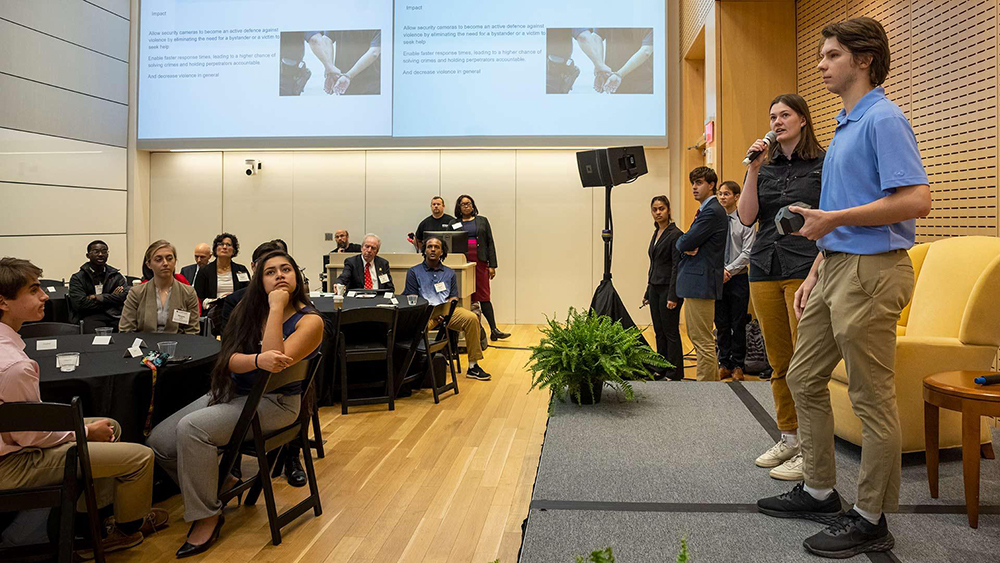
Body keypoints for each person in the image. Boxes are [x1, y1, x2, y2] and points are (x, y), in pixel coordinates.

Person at [756, 18, 931, 559]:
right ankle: (820, 489)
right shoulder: (846, 124)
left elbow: (916, 200)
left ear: (863, 59)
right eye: (822, 55)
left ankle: (872, 516)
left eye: (832, 55)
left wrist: (833, 221)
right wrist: (815, 271)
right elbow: (831, 219)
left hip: (873, 272)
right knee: (804, 376)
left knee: (870, 398)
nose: (821, 64)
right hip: (833, 268)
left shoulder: (884, 118)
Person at [146, 250, 324, 558]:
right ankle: (220, 480)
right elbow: (228, 360)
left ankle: (207, 515)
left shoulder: (310, 321)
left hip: (277, 403)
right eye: (270, 272)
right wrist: (255, 359)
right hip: (234, 392)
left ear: (297, 277)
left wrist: (277, 307)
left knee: (192, 429)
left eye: (286, 270)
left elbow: (273, 367)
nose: (279, 275)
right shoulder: (246, 308)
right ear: (259, 279)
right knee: (159, 442)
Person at [0, 257, 167, 556]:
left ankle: (89, 522)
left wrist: (88, 430)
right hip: (11, 464)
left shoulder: (9, 348)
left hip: (12, 447)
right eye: (34, 290)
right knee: (141, 458)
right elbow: (31, 437)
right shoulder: (14, 366)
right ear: (3, 301)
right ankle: (123, 532)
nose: (44, 296)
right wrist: (85, 432)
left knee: (110, 425)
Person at [738, 93, 825, 482]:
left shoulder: (823, 164)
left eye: (785, 115)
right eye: (772, 116)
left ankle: (810, 446)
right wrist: (753, 170)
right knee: (778, 361)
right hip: (763, 267)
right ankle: (788, 436)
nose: (777, 121)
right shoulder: (765, 166)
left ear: (803, 120)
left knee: (803, 363)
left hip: (803, 268)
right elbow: (745, 216)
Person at [403, 237, 491, 381]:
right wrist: (432, 312)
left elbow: (454, 297)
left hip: (447, 312)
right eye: (429, 246)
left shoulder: (449, 273)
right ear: (424, 250)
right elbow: (413, 298)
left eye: (436, 247)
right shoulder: (414, 272)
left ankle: (473, 366)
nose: (432, 249)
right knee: (415, 331)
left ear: (442, 251)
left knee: (472, 318)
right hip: (425, 313)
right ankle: (417, 367)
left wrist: (447, 310)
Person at [675, 167, 728, 381]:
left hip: (701, 281)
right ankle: (710, 388)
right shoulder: (708, 210)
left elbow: (683, 241)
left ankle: (705, 392)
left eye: (699, 183)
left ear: (711, 185)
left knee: (702, 340)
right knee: (699, 337)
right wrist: (685, 243)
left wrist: (684, 243)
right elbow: (686, 242)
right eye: (693, 183)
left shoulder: (712, 210)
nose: (694, 188)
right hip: (698, 281)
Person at [714, 181, 756, 381]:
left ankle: (738, 364)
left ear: (737, 196)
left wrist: (727, 270)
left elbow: (747, 252)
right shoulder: (716, 219)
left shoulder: (745, 220)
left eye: (727, 194)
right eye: (720, 194)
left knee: (738, 323)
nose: (722, 197)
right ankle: (724, 363)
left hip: (737, 277)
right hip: (717, 279)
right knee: (721, 323)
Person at [455, 195, 510, 341]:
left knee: (484, 295)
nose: (466, 206)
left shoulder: (482, 220)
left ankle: (494, 329)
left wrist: (492, 265)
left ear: (473, 206)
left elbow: (490, 243)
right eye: (463, 204)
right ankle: (470, 332)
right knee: (466, 297)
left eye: (469, 203)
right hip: (462, 264)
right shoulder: (454, 223)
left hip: (480, 262)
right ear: (459, 207)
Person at [642, 196, 684, 381]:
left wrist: (673, 295)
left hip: (669, 289)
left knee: (671, 332)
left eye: (661, 209)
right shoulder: (656, 232)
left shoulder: (675, 234)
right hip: (655, 287)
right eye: (655, 209)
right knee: (659, 331)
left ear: (668, 210)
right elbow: (654, 264)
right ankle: (661, 366)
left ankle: (674, 372)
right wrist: (647, 291)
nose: (658, 212)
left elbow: (677, 266)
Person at [119, 241, 201, 335]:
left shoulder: (188, 293)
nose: (165, 263)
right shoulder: (136, 293)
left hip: (179, 345)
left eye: (169, 259)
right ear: (149, 264)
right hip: (144, 345)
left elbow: (192, 331)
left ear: (175, 262)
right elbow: (126, 329)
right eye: (158, 260)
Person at [68, 240, 129, 333]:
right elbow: (80, 304)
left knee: (127, 332)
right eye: (96, 251)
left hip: (115, 315)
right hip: (90, 316)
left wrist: (98, 297)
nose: (101, 254)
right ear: (88, 255)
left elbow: (124, 297)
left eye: (104, 251)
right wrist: (111, 298)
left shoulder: (116, 276)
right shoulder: (78, 278)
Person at [305, 30, 381, 95]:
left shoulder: (340, 18)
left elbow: (327, 39)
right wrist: (347, 75)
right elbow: (374, 52)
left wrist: (330, 69)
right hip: (367, 83)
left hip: (342, 81)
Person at [193, 233, 251, 309]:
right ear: (215, 249)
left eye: (228, 245)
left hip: (236, 310)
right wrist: (216, 301)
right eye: (221, 244)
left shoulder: (241, 270)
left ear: (233, 251)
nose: (224, 247)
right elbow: (198, 297)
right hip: (212, 311)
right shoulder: (205, 271)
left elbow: (248, 292)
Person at [593, 28, 654, 94]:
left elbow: (596, 37)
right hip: (640, 83)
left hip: (614, 81)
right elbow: (646, 51)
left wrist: (600, 66)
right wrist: (618, 74)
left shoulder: (607, 18)